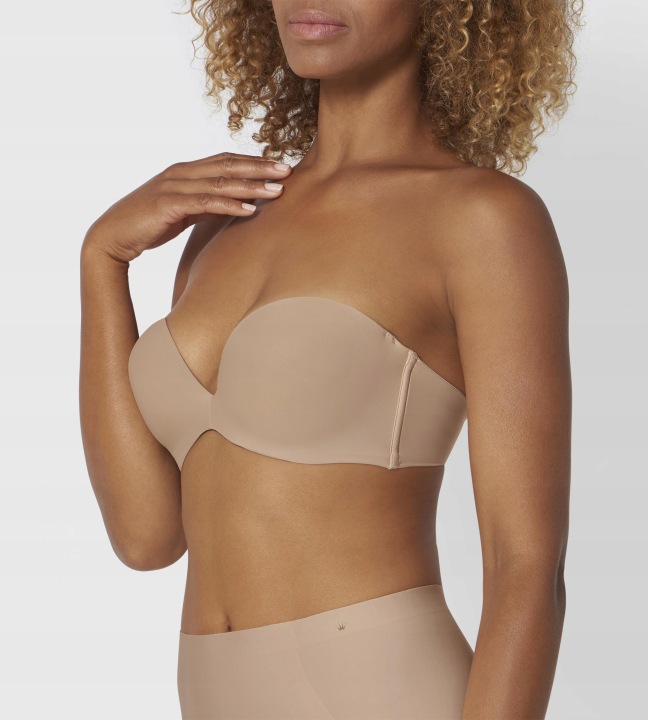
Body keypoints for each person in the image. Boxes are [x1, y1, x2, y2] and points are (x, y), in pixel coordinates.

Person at [79, 1, 581, 717]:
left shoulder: (481, 220)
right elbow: (146, 535)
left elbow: (524, 565)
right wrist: (102, 259)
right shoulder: (225, 218)